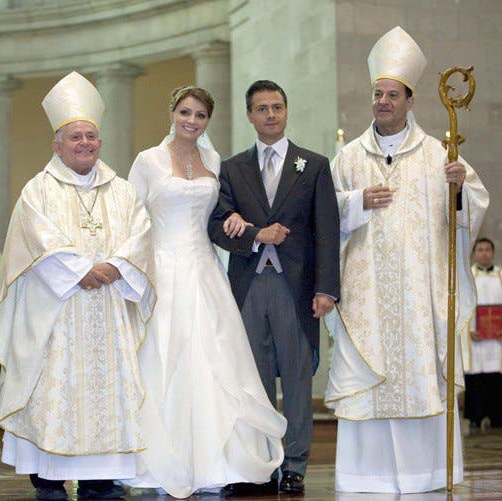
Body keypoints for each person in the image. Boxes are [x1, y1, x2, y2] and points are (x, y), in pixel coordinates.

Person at [325, 26, 490, 493]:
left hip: (421, 300)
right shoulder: (349, 159)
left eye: (392, 94)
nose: (383, 101)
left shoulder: (439, 154)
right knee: (369, 380)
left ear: (410, 101)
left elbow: (471, 208)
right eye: (377, 94)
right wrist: (355, 201)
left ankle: (427, 474)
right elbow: (322, 215)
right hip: (366, 302)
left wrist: (458, 190)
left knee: (421, 378)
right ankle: (367, 477)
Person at [0, 71, 155, 501]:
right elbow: (36, 239)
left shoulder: (122, 191)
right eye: (75, 137)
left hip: (109, 309)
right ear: (56, 145)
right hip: (56, 312)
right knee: (54, 391)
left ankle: (101, 479)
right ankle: (48, 479)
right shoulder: (37, 191)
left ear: (101, 142)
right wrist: (80, 270)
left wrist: (114, 267)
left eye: (91, 136)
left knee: (106, 394)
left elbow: (140, 234)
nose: (85, 143)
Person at [126, 86, 286, 498]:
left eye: (200, 115)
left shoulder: (214, 161)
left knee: (216, 357)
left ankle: (219, 462)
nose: (191, 121)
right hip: (164, 269)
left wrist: (236, 219)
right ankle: (161, 459)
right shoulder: (148, 161)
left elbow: (223, 214)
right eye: (185, 112)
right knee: (167, 356)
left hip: (206, 268)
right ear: (172, 112)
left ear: (207, 121)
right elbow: (130, 218)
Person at [208, 80, 340, 494]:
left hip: (295, 286)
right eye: (262, 108)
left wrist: (326, 288)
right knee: (254, 378)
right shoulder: (232, 169)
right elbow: (217, 226)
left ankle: (295, 464)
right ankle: (263, 463)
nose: (270, 114)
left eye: (277, 107)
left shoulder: (313, 165)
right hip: (248, 285)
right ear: (249, 115)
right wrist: (253, 235)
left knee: (298, 378)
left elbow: (327, 231)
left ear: (286, 111)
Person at [463, 237, 502, 431]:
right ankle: (475, 417)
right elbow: (461, 308)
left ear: (493, 252)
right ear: (474, 254)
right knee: (476, 377)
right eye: (480, 249)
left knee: (497, 377)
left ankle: (498, 416)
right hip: (475, 338)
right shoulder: (467, 277)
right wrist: (469, 330)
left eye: (488, 249)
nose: (484, 253)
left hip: (499, 339)